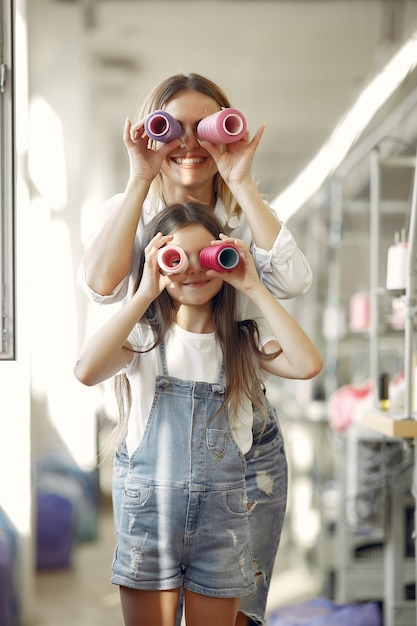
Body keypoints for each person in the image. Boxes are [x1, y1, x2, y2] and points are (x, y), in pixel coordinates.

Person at [79, 72, 313, 626]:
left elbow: (294, 281)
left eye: (206, 128)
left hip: (242, 426)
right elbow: (100, 285)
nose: (189, 143)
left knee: (239, 614)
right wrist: (141, 178)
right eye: (172, 128)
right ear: (150, 132)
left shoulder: (242, 217)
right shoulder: (127, 211)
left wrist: (243, 183)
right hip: (151, 431)